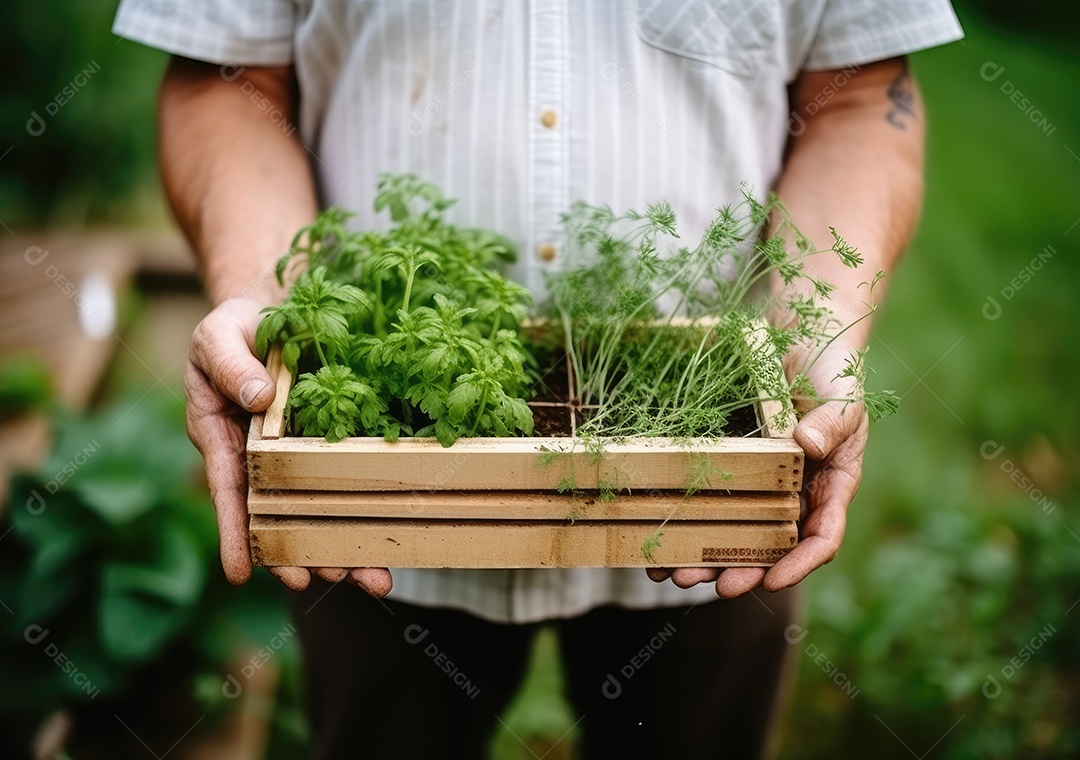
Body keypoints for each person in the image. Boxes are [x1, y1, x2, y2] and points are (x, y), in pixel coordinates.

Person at [114, 2, 963, 757]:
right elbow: (226, 78)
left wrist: (814, 333)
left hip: (709, 508)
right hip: (370, 518)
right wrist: (265, 308)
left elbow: (860, 94)